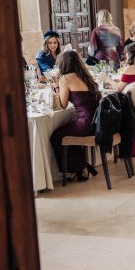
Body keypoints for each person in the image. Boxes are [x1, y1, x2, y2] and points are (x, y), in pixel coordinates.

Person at [49, 50, 101, 182]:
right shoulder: (86, 76)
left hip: (85, 125)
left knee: (56, 137)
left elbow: (63, 105)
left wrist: (57, 89)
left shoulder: (65, 78)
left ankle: (77, 168)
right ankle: (81, 167)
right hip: (96, 123)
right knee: (70, 133)